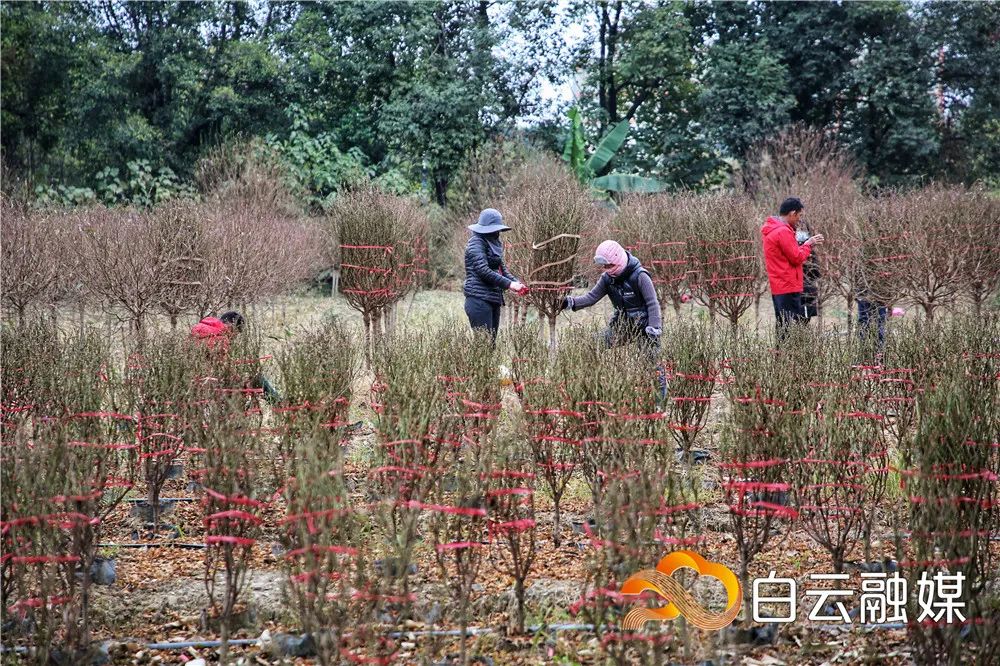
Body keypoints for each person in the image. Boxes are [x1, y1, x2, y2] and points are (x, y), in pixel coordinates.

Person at [761, 198, 824, 341]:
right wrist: (809, 244)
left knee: (783, 325)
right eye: (799, 215)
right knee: (790, 327)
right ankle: (789, 354)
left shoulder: (773, 230)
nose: (799, 219)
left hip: (780, 285)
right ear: (792, 213)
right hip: (788, 285)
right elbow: (796, 257)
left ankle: (782, 353)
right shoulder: (783, 231)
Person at [190, 310, 280, 404]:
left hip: (193, 380)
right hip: (212, 382)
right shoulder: (221, 339)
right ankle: (280, 405)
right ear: (232, 327)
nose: (235, 337)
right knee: (258, 378)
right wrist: (240, 376)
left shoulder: (197, 331)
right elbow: (223, 369)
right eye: (237, 332)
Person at [463, 208, 526, 342]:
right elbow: (483, 270)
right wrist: (509, 284)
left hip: (493, 299)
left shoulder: (494, 244)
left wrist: (517, 283)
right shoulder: (475, 243)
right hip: (478, 300)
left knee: (490, 345)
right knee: (483, 345)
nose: (497, 232)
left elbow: (502, 270)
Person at [796, 225, 821, 323]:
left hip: (807, 288)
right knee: (800, 318)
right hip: (801, 288)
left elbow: (816, 273)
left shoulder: (810, 253)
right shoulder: (798, 251)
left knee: (804, 318)